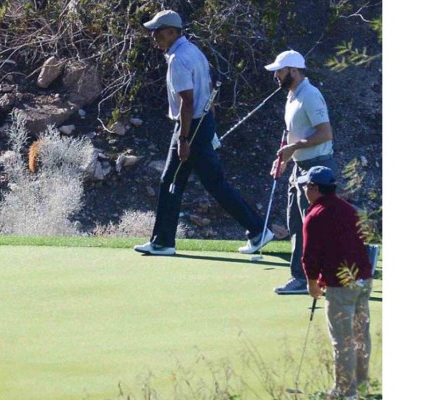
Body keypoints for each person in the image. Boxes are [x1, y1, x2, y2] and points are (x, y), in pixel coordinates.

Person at [134, 10, 273, 255]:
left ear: (171, 32)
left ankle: (164, 242)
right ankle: (257, 230)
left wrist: (184, 139)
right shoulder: (194, 52)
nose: (154, 37)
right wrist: (210, 127)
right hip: (202, 123)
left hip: (191, 127)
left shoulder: (178, 58)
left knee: (176, 181)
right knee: (196, 182)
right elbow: (208, 91)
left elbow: (187, 102)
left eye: (157, 32)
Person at [265, 49, 337, 294]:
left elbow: (325, 133)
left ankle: (321, 278)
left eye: (280, 71)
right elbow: (291, 132)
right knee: (296, 224)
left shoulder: (310, 95)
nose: (276, 76)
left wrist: (294, 148)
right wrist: (284, 157)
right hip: (299, 167)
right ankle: (302, 278)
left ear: (293, 71)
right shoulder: (292, 95)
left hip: (317, 169)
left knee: (314, 226)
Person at [299, 166, 373, 400]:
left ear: (314, 188)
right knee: (361, 336)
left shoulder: (315, 215)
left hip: (341, 286)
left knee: (343, 340)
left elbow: (310, 255)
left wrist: (312, 283)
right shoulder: (349, 209)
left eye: (305, 186)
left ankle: (344, 391)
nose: (303, 189)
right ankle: (361, 388)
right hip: (363, 280)